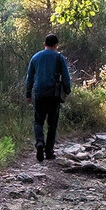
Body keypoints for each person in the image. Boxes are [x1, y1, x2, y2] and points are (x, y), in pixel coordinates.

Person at [25, 33, 72, 163]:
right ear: (56, 45)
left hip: (39, 94)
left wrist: (28, 94)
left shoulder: (35, 57)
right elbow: (66, 77)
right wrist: (67, 90)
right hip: (54, 95)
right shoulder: (59, 58)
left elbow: (29, 78)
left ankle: (39, 142)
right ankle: (49, 152)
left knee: (38, 121)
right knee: (52, 124)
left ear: (44, 44)